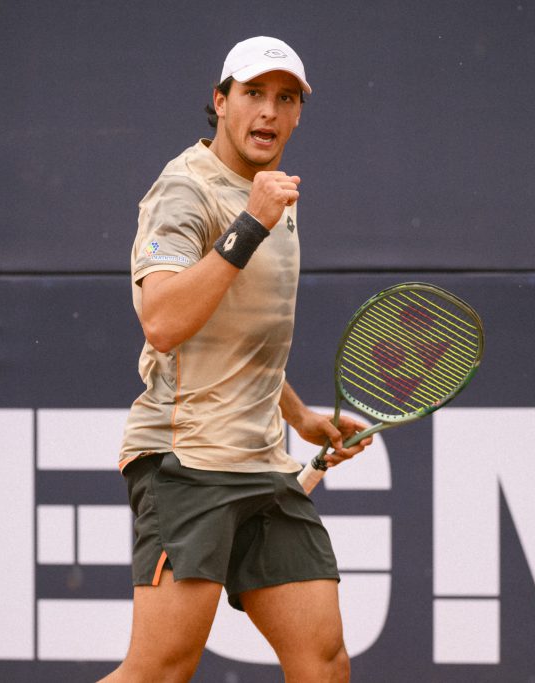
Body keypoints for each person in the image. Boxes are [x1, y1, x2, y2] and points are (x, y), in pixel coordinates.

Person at [98, 36, 372, 682]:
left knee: (325, 662)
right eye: (253, 94)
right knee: (159, 670)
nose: (268, 113)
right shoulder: (184, 192)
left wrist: (300, 416)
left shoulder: (273, 194)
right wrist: (248, 225)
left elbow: (235, 331)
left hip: (262, 464)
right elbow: (163, 321)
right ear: (220, 103)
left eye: (285, 98)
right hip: (187, 460)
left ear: (300, 113)